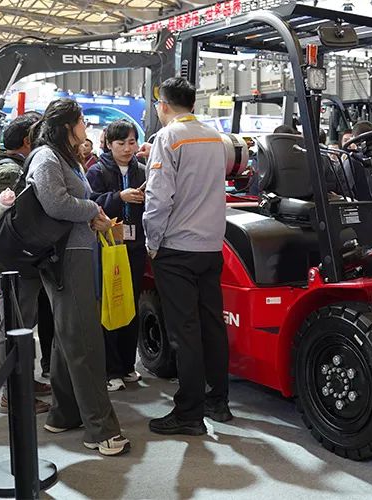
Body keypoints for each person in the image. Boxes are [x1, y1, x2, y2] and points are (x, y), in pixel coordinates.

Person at [25, 98, 130, 456]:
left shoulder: (63, 157)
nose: (86, 126)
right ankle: (101, 431)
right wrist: (92, 208)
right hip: (66, 256)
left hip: (75, 252)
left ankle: (64, 413)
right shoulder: (46, 158)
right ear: (67, 127)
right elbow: (55, 202)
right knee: (85, 339)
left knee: (69, 334)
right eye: (82, 120)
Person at [143, 77, 231, 435]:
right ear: (192, 104)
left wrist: (152, 241)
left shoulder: (168, 138)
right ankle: (217, 401)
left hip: (177, 248)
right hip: (211, 247)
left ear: (163, 106)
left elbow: (158, 199)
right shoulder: (215, 137)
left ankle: (189, 414)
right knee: (212, 325)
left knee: (184, 331)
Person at [0, 112, 53, 414]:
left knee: (20, 323)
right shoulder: (10, 173)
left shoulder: (0, 164)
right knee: (14, 326)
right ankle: (12, 393)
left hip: (14, 259)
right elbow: (18, 219)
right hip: (14, 261)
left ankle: (25, 382)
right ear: (27, 140)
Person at [86, 120, 146, 392]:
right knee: (110, 305)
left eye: (131, 142)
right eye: (121, 143)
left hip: (135, 247)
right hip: (107, 247)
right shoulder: (96, 171)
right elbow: (91, 203)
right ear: (109, 144)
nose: (127, 148)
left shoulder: (142, 170)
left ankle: (127, 365)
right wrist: (119, 197)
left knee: (131, 305)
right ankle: (110, 369)